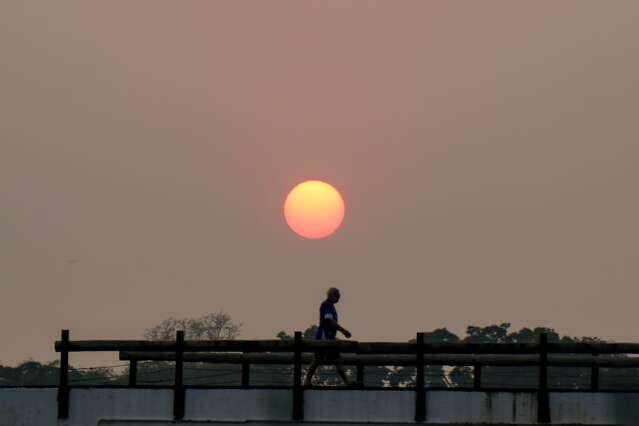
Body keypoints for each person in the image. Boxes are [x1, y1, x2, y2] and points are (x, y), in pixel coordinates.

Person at [303, 287, 355, 386]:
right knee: (321, 358)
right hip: (325, 337)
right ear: (332, 295)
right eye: (338, 296)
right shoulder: (327, 305)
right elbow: (330, 321)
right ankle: (307, 381)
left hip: (328, 337)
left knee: (332, 359)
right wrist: (344, 331)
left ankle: (347, 382)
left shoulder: (329, 305)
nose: (339, 298)